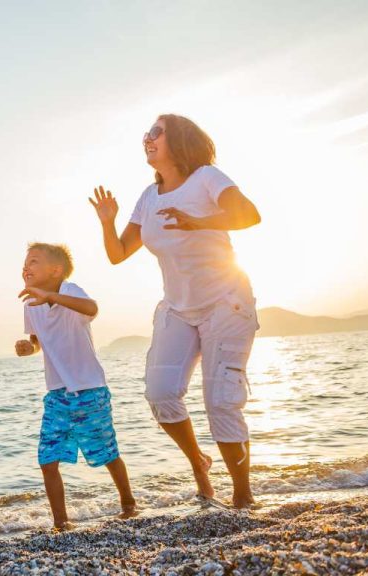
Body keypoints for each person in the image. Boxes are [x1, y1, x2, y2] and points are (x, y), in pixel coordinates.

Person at [88, 114, 262, 508]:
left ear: (178, 140)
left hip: (226, 302)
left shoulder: (207, 178)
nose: (146, 138)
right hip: (179, 309)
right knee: (161, 394)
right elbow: (117, 254)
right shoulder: (148, 197)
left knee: (221, 402)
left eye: (156, 132)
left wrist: (198, 222)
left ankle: (242, 495)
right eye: (146, 132)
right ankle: (199, 464)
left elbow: (249, 214)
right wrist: (107, 222)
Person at [15, 243, 137, 530]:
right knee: (48, 458)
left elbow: (91, 308)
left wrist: (51, 295)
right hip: (57, 392)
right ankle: (61, 521)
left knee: (107, 452)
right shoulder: (30, 305)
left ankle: (129, 503)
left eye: (33, 261)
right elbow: (37, 342)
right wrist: (27, 347)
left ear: (55, 270)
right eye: (25, 263)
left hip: (89, 388)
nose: (26, 267)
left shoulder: (70, 291)